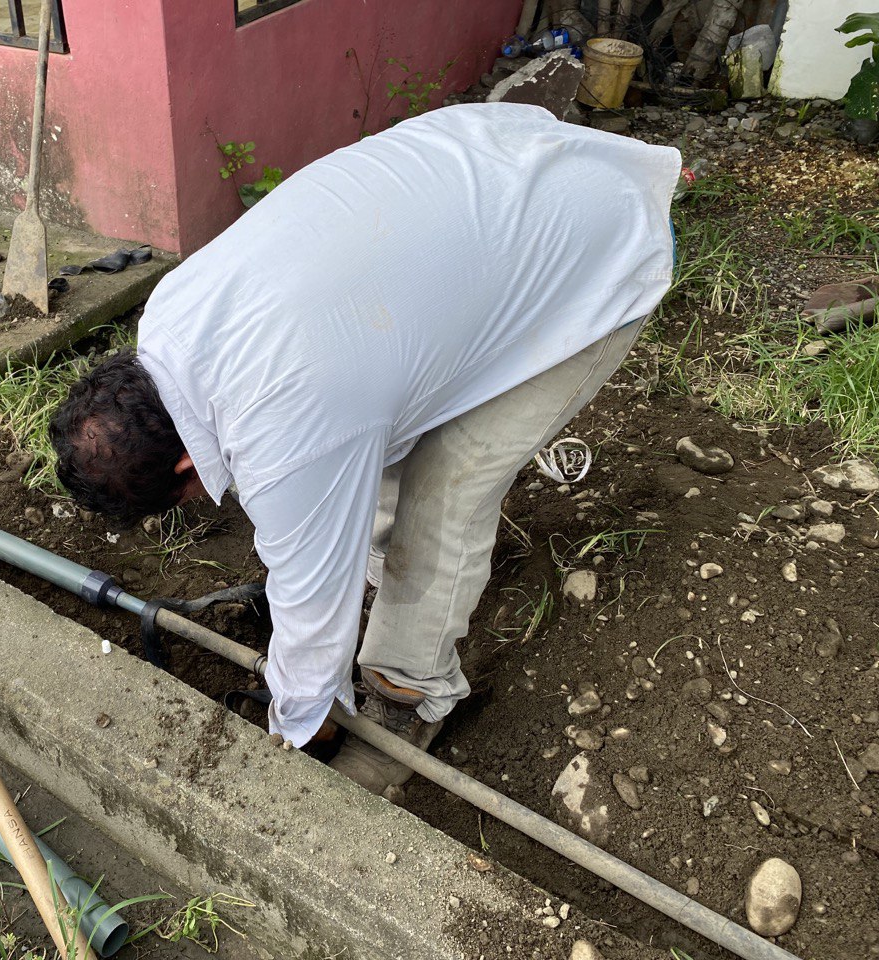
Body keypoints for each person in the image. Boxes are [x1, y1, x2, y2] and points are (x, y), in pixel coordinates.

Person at [49, 102, 679, 795]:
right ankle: (384, 576)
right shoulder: (171, 313)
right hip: (489, 170)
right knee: (366, 449)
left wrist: (301, 723)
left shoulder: (283, 426)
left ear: (183, 465)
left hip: (590, 250)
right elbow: (332, 450)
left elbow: (312, 619)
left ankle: (409, 691)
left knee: (446, 493)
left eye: (188, 495)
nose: (207, 498)